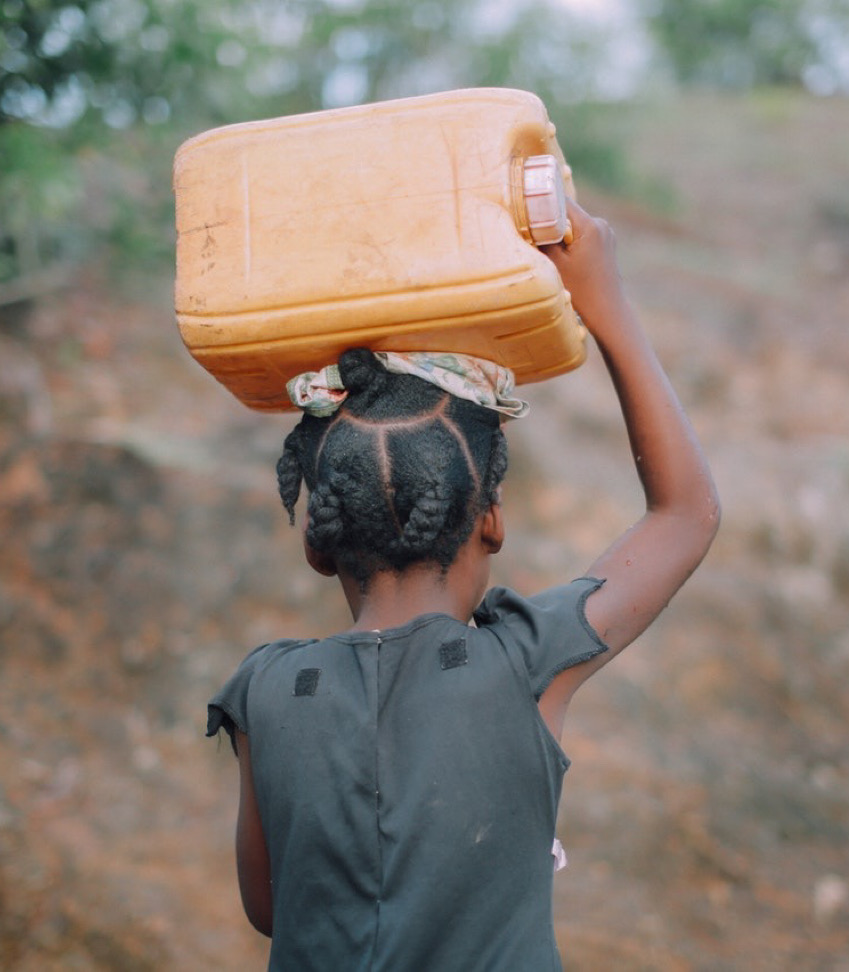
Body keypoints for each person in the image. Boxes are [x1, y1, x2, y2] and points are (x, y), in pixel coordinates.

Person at [206, 198, 720, 970]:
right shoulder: (524, 664)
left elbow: (270, 906)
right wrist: (605, 302)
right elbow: (685, 516)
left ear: (317, 544)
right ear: (491, 521)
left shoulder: (264, 691)